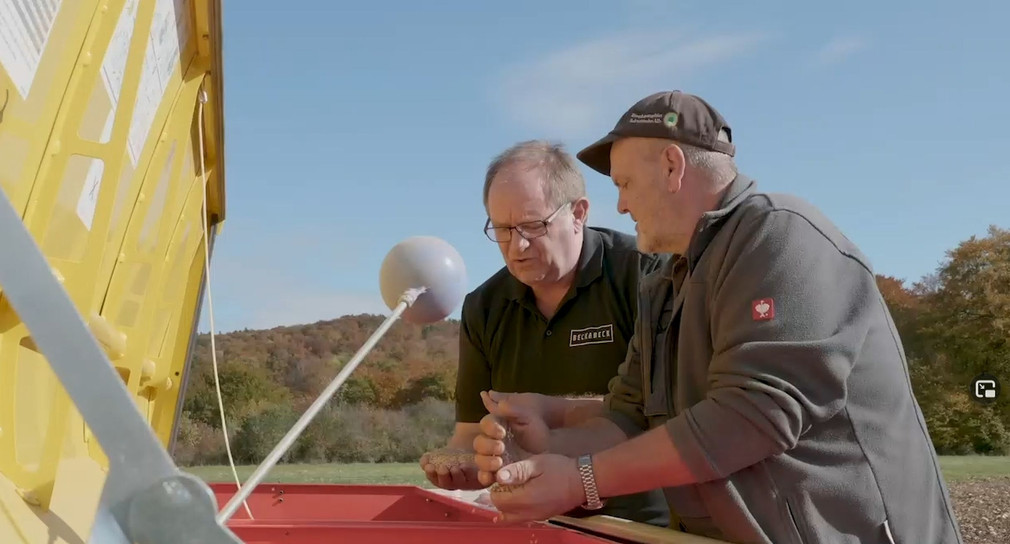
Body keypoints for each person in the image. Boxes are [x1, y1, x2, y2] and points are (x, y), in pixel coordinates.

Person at [470, 92, 965, 544]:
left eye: (624, 183)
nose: (619, 205)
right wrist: (545, 452)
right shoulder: (663, 281)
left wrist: (583, 478)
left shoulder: (779, 235)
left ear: (671, 167)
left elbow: (753, 414)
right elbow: (628, 415)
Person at [419, 140, 671, 528]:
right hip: (530, 524)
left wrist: (550, 416)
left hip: (640, 526)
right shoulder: (483, 307)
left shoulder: (645, 277)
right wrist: (469, 465)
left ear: (579, 213)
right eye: (501, 229)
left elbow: (668, 415)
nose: (516, 246)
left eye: (533, 226)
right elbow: (470, 434)